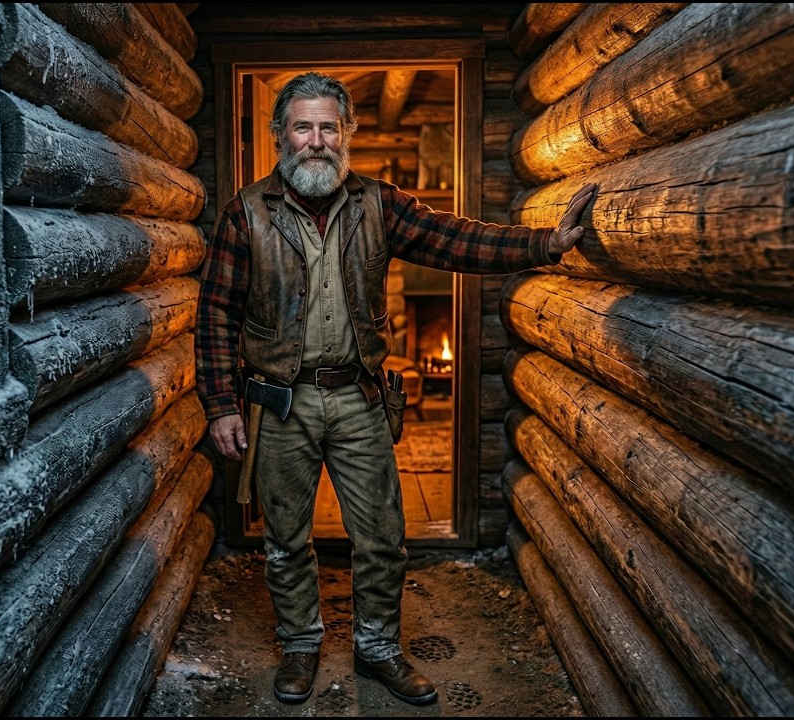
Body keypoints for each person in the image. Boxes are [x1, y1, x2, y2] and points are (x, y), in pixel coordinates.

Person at [194, 71, 596, 706]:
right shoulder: (246, 213)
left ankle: (378, 648)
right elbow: (215, 312)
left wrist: (547, 243)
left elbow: (457, 239)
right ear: (280, 135)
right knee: (285, 541)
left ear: (347, 134)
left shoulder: (378, 204)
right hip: (279, 402)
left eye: (329, 127)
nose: (316, 141)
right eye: (303, 127)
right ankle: (300, 646)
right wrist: (221, 404)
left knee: (381, 537)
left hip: (358, 399)